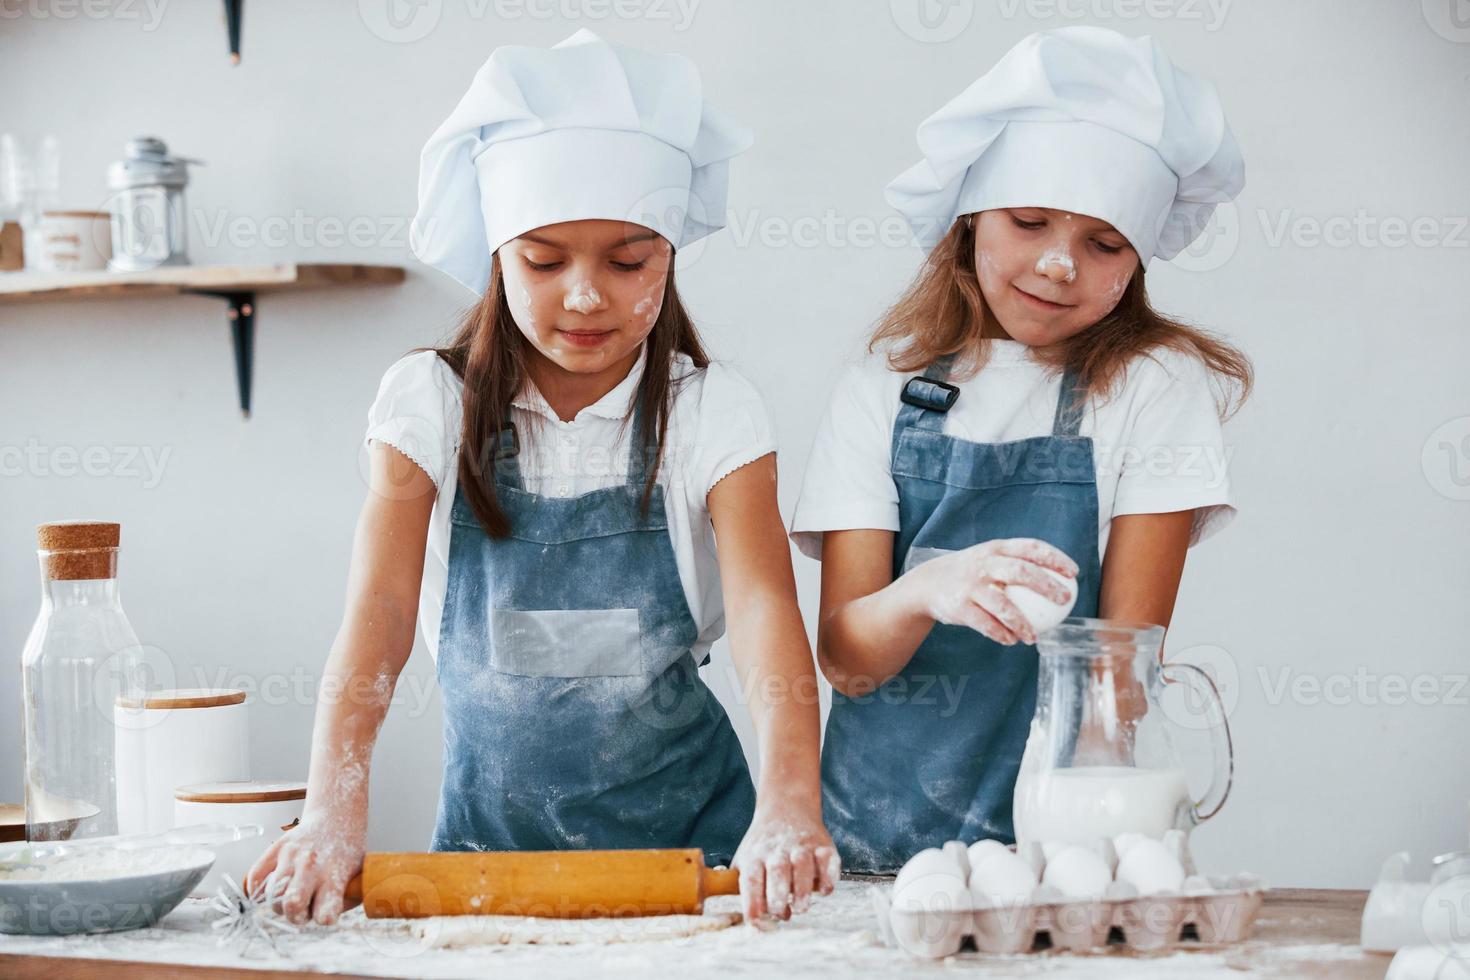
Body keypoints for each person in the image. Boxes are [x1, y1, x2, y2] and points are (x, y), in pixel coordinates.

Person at [249, 29, 836, 925]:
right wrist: (332, 813)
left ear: (671, 256)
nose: (587, 295)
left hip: (696, 865)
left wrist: (790, 806)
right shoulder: (429, 405)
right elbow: (378, 616)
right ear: (496, 252)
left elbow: (763, 615)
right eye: (545, 259)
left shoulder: (713, 411)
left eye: (627, 260)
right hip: (488, 868)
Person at [788, 26, 1253, 873]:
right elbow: (848, 665)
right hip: (876, 847)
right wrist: (932, 587)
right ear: (969, 222)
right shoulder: (881, 385)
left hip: (1062, 842)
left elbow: (1122, 669)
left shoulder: (1153, 386)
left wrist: (1072, 853)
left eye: (1104, 243)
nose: (1059, 264)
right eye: (1029, 220)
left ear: (1138, 261)